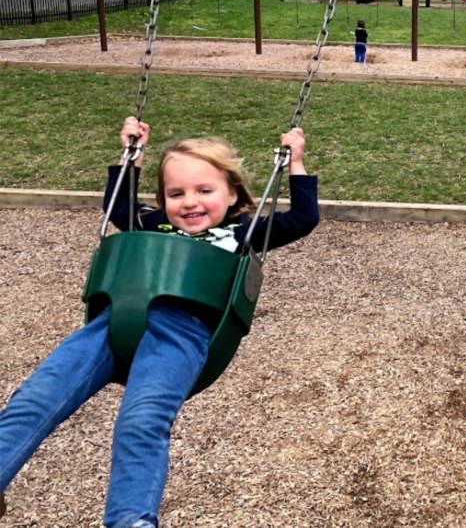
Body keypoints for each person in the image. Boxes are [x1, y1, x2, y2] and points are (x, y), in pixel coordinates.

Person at [0, 117, 320, 528]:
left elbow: (303, 219)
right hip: (113, 321)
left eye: (205, 190)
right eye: (176, 193)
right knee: (35, 397)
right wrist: (131, 154)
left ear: (232, 192)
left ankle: (130, 520)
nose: (190, 202)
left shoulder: (243, 231)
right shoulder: (153, 224)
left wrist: (295, 162)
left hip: (181, 331)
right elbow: (118, 206)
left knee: (142, 421)